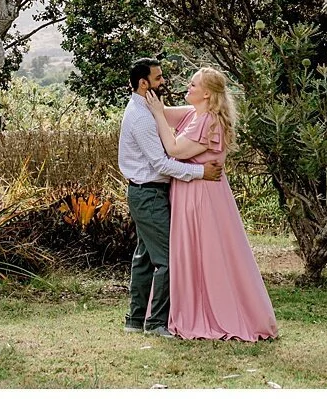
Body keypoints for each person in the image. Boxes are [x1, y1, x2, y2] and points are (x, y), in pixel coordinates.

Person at [142, 66, 278, 342]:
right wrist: (150, 98)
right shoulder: (196, 114)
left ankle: (212, 311)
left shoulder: (209, 121)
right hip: (193, 191)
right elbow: (167, 115)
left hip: (201, 196)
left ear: (206, 93)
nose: (187, 89)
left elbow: (175, 149)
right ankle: (190, 307)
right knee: (196, 252)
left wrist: (157, 113)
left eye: (192, 86)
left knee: (207, 253)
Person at [118, 58, 223, 337]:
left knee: (144, 257)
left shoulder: (147, 110)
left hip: (147, 192)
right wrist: (201, 171)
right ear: (144, 83)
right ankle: (155, 323)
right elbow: (162, 163)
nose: (163, 82)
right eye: (158, 78)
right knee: (167, 258)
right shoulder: (141, 118)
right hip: (149, 193)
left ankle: (135, 319)